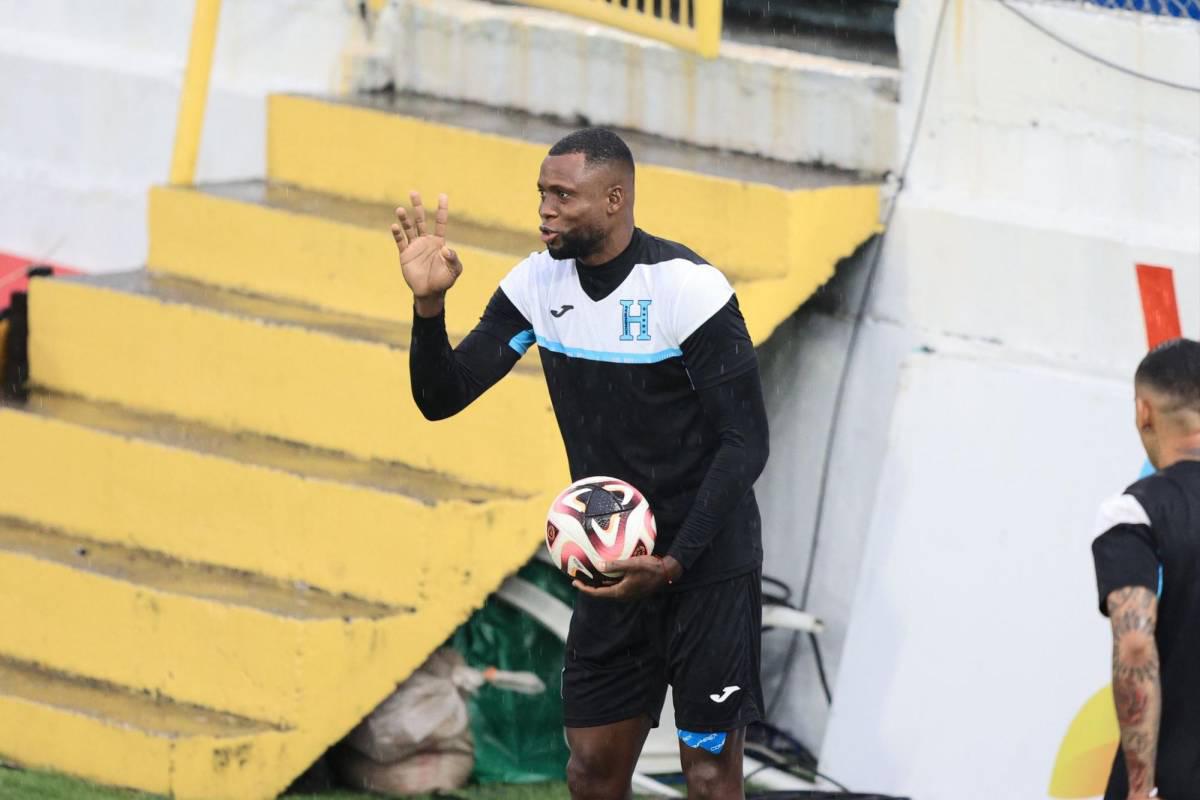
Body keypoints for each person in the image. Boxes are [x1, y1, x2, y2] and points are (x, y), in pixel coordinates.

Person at [393, 128, 769, 799]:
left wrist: (674, 563)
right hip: (611, 573)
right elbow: (442, 397)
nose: (545, 209)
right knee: (592, 770)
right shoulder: (536, 286)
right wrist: (429, 306)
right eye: (542, 193)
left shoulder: (687, 289)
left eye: (563, 195)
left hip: (705, 572)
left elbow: (747, 441)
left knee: (709, 771)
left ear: (614, 199)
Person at [1092, 337, 1200, 800]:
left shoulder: (1136, 512)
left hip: (1172, 777)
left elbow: (1135, 645)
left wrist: (1139, 786)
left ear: (1143, 411)